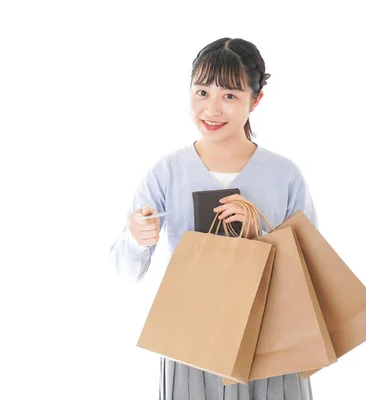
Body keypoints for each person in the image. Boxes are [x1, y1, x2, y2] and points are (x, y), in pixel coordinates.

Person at [109, 37, 318, 400]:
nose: (212, 109)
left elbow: (312, 272)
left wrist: (261, 236)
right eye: (202, 92)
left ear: (256, 100)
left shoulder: (284, 174)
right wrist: (136, 237)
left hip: (270, 341)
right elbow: (127, 271)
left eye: (230, 96)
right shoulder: (165, 173)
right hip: (191, 339)